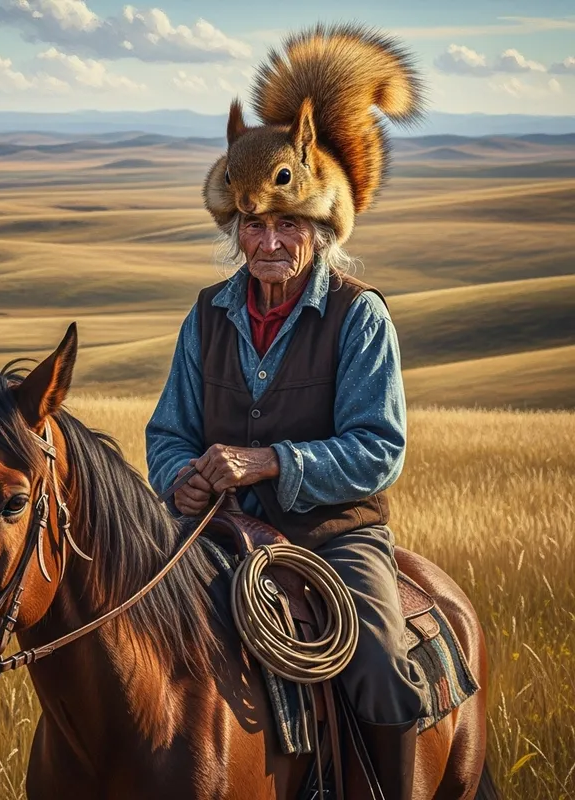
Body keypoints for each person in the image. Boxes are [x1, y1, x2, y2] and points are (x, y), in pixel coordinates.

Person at [145, 23, 428, 800]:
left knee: (380, 667)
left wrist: (273, 463)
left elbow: (379, 449)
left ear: (319, 227)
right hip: (217, 532)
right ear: (236, 230)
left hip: (335, 536)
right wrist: (184, 480)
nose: (268, 241)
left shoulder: (358, 317)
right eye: (253, 225)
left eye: (286, 223)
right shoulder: (206, 315)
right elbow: (168, 431)